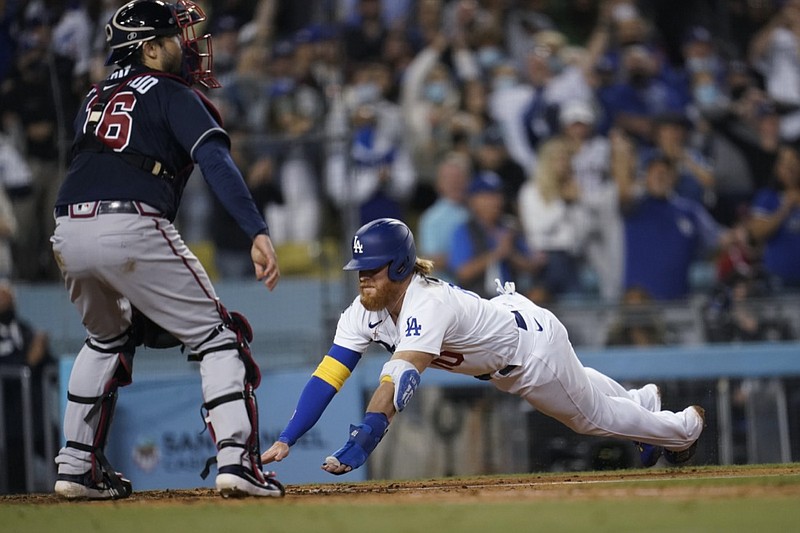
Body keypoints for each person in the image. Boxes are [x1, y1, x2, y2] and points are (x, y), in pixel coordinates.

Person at [49, 0, 283, 500]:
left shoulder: (94, 96)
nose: (189, 45)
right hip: (131, 222)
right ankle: (237, 461)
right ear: (151, 49)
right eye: (176, 37)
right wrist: (256, 230)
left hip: (68, 227)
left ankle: (74, 466)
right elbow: (216, 161)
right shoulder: (172, 92)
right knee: (219, 338)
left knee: (106, 339)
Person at [260, 218, 706, 476]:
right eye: (358, 269)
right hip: (512, 327)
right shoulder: (362, 311)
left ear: (398, 265)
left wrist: (363, 441)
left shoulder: (426, 302)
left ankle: (683, 428)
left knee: (590, 418)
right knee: (583, 391)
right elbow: (329, 375)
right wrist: (287, 438)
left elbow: (398, 379)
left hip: (530, 355)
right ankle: (641, 401)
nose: (362, 278)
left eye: (371, 269)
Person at [0, 281, 54, 494]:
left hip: (37, 418)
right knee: (16, 483)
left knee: (64, 455)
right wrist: (29, 361)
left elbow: (47, 362)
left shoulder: (25, 329)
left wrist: (43, 353)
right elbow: (9, 368)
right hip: (10, 423)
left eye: (6, 296)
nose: (3, 301)